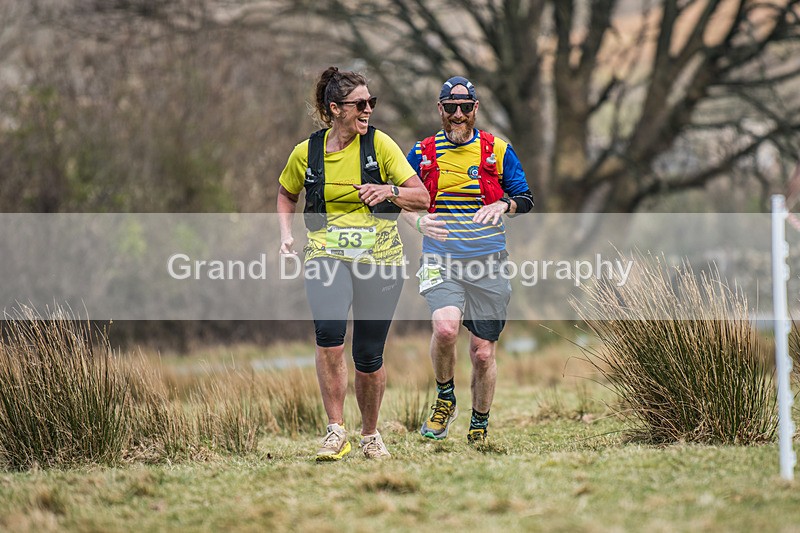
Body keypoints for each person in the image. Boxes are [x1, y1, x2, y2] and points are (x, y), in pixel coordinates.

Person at [277, 66, 428, 460]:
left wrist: (387, 190)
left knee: (368, 355)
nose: (368, 110)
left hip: (381, 260)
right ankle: (335, 430)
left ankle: (370, 434)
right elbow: (285, 193)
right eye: (360, 104)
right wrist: (286, 234)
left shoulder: (380, 146)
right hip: (325, 253)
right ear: (335, 108)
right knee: (328, 335)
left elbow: (422, 197)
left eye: (371, 103)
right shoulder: (306, 153)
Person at [402, 76, 533, 444]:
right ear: (439, 109)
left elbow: (525, 198)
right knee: (445, 329)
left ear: (475, 109)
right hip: (440, 258)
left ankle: (479, 424)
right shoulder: (423, 152)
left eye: (465, 108)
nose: (457, 115)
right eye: (449, 108)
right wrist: (418, 221)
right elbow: (399, 199)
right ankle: (445, 398)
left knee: (482, 353)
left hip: (488, 261)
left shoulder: (497, 150)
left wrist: (502, 204)